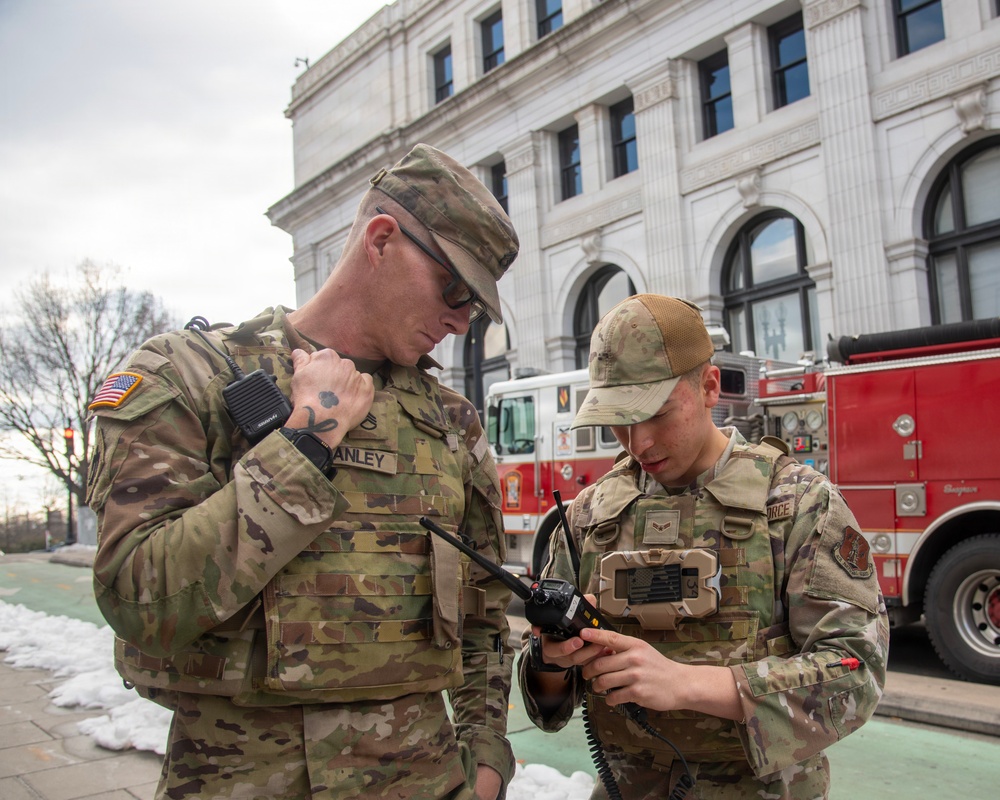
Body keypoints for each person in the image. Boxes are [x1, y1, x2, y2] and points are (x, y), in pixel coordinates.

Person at [87, 143, 520, 800]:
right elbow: (139, 597)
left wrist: (486, 758)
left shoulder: (451, 422)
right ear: (381, 240)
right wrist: (304, 441)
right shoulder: (190, 377)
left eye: (474, 305)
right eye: (454, 288)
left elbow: (486, 612)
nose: (461, 321)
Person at [518, 294, 889, 799]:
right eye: (619, 420)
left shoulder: (797, 505)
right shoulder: (588, 518)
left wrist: (688, 685)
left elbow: (855, 671)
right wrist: (550, 662)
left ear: (709, 386)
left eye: (658, 414)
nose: (638, 442)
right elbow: (546, 707)